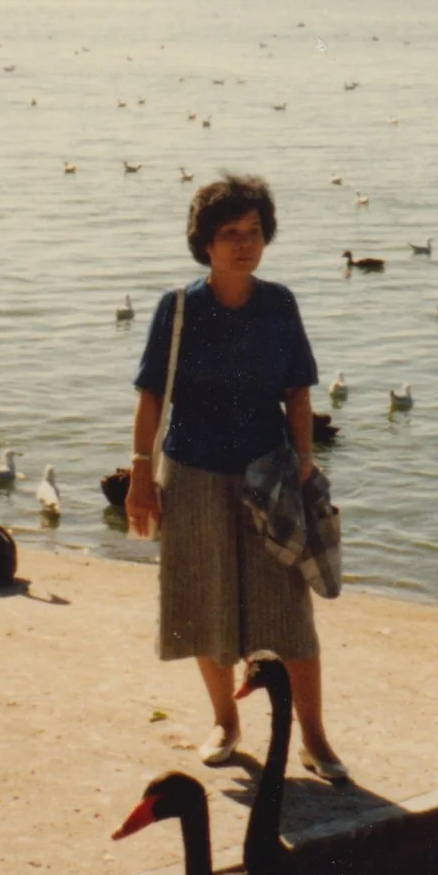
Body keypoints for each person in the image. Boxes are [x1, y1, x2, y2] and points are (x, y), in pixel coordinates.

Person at [127, 174, 347, 781]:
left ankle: (316, 738)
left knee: (289, 613)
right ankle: (225, 719)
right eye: (230, 234)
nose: (244, 245)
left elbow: (298, 391)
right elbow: (151, 397)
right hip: (193, 473)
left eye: (254, 233)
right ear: (205, 243)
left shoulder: (279, 304)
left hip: (267, 476)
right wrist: (140, 475)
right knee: (206, 602)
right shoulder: (178, 309)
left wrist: (302, 461)